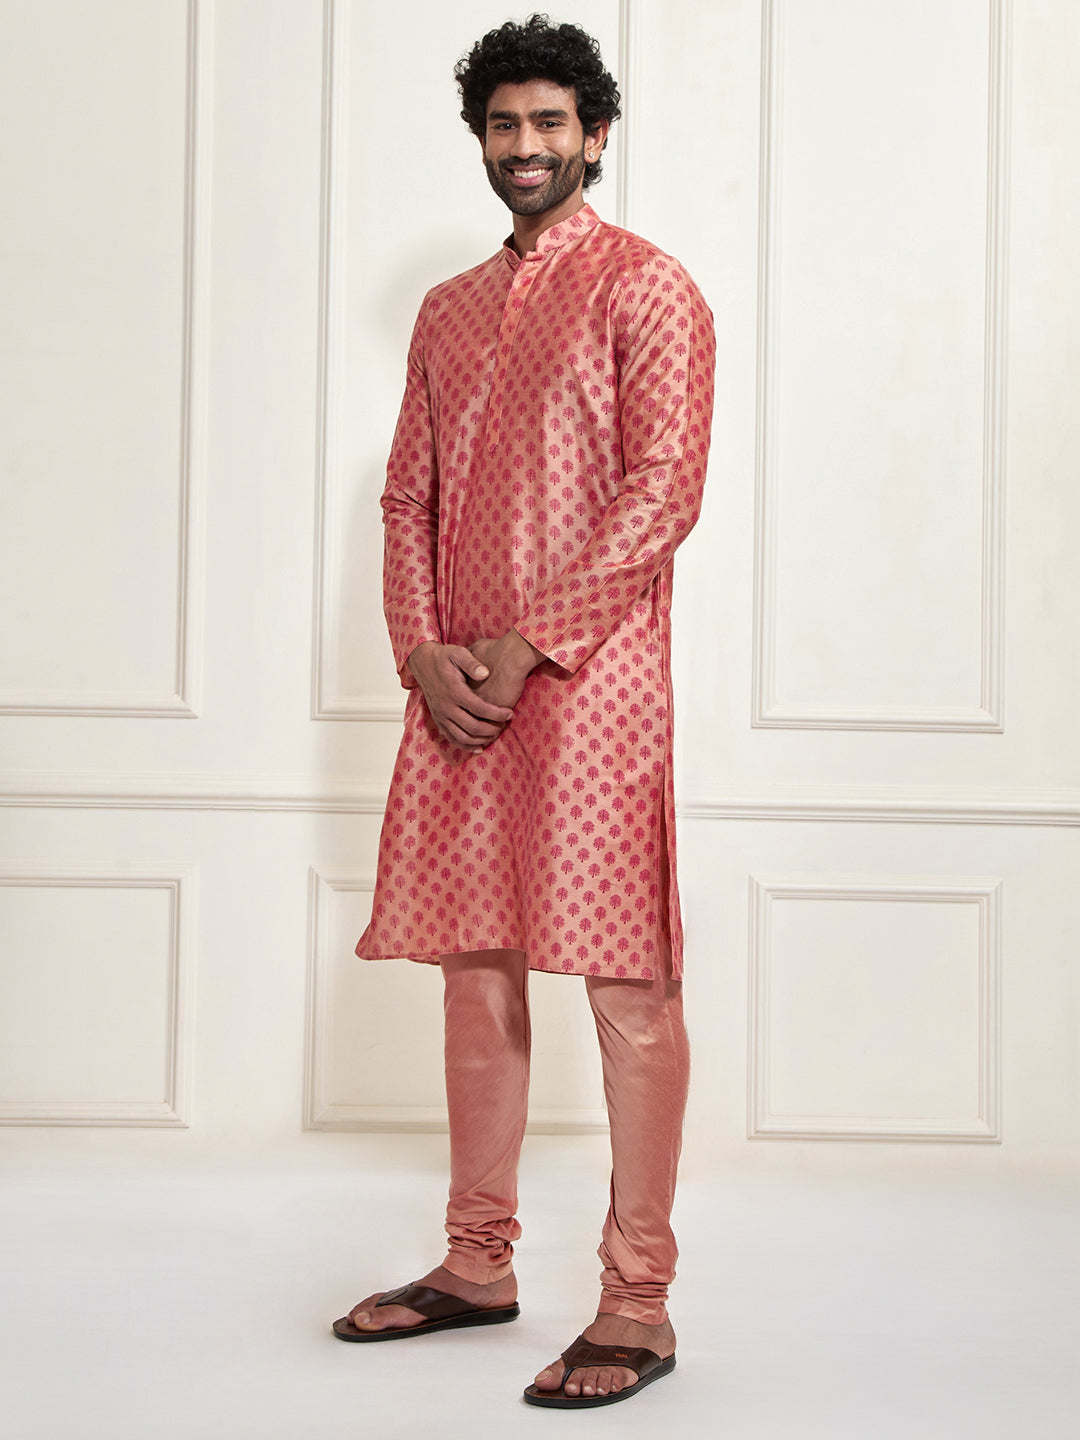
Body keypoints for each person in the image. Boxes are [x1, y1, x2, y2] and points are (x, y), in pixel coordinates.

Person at [333, 14, 715, 1410]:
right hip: (461, 698)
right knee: (475, 972)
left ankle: (638, 1303)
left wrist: (532, 641)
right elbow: (408, 496)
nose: (527, 145)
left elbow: (664, 491)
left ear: (595, 135)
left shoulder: (647, 288)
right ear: (482, 140)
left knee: (628, 987)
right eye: (505, 124)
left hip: (592, 691)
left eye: (551, 122)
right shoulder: (447, 309)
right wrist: (421, 653)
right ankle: (476, 1262)